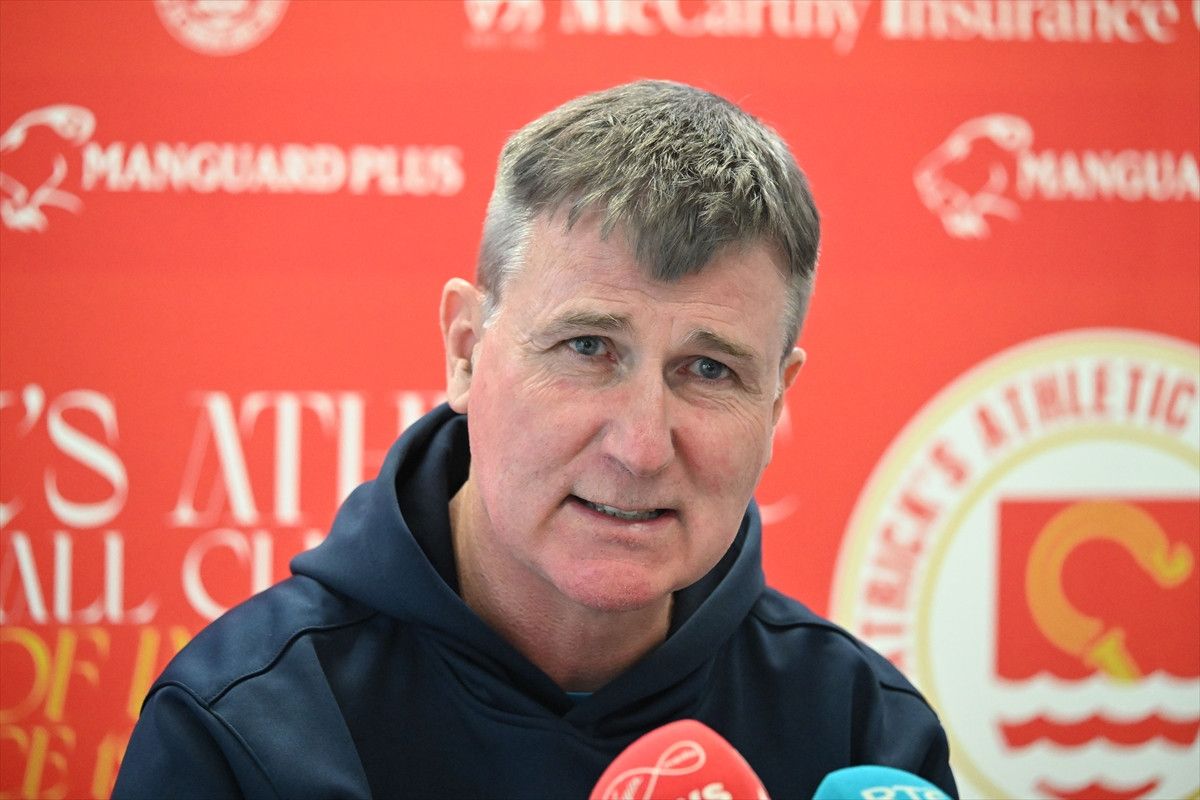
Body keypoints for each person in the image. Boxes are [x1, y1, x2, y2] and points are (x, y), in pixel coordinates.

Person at [113, 80, 957, 799]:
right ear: (465, 351)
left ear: (775, 405)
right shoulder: (242, 725)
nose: (640, 447)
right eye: (587, 348)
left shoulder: (863, 734)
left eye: (709, 370)